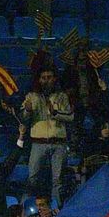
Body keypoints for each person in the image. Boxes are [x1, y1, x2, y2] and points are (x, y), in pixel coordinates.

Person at [22, 67, 73, 204]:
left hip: (58, 143)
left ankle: (58, 209)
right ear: (39, 79)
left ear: (54, 79)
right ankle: (27, 209)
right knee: (33, 177)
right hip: (38, 143)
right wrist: (27, 111)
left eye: (49, 77)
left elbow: (70, 116)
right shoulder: (32, 96)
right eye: (43, 77)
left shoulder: (61, 96)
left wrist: (55, 113)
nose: (46, 80)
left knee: (58, 180)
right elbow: (24, 119)